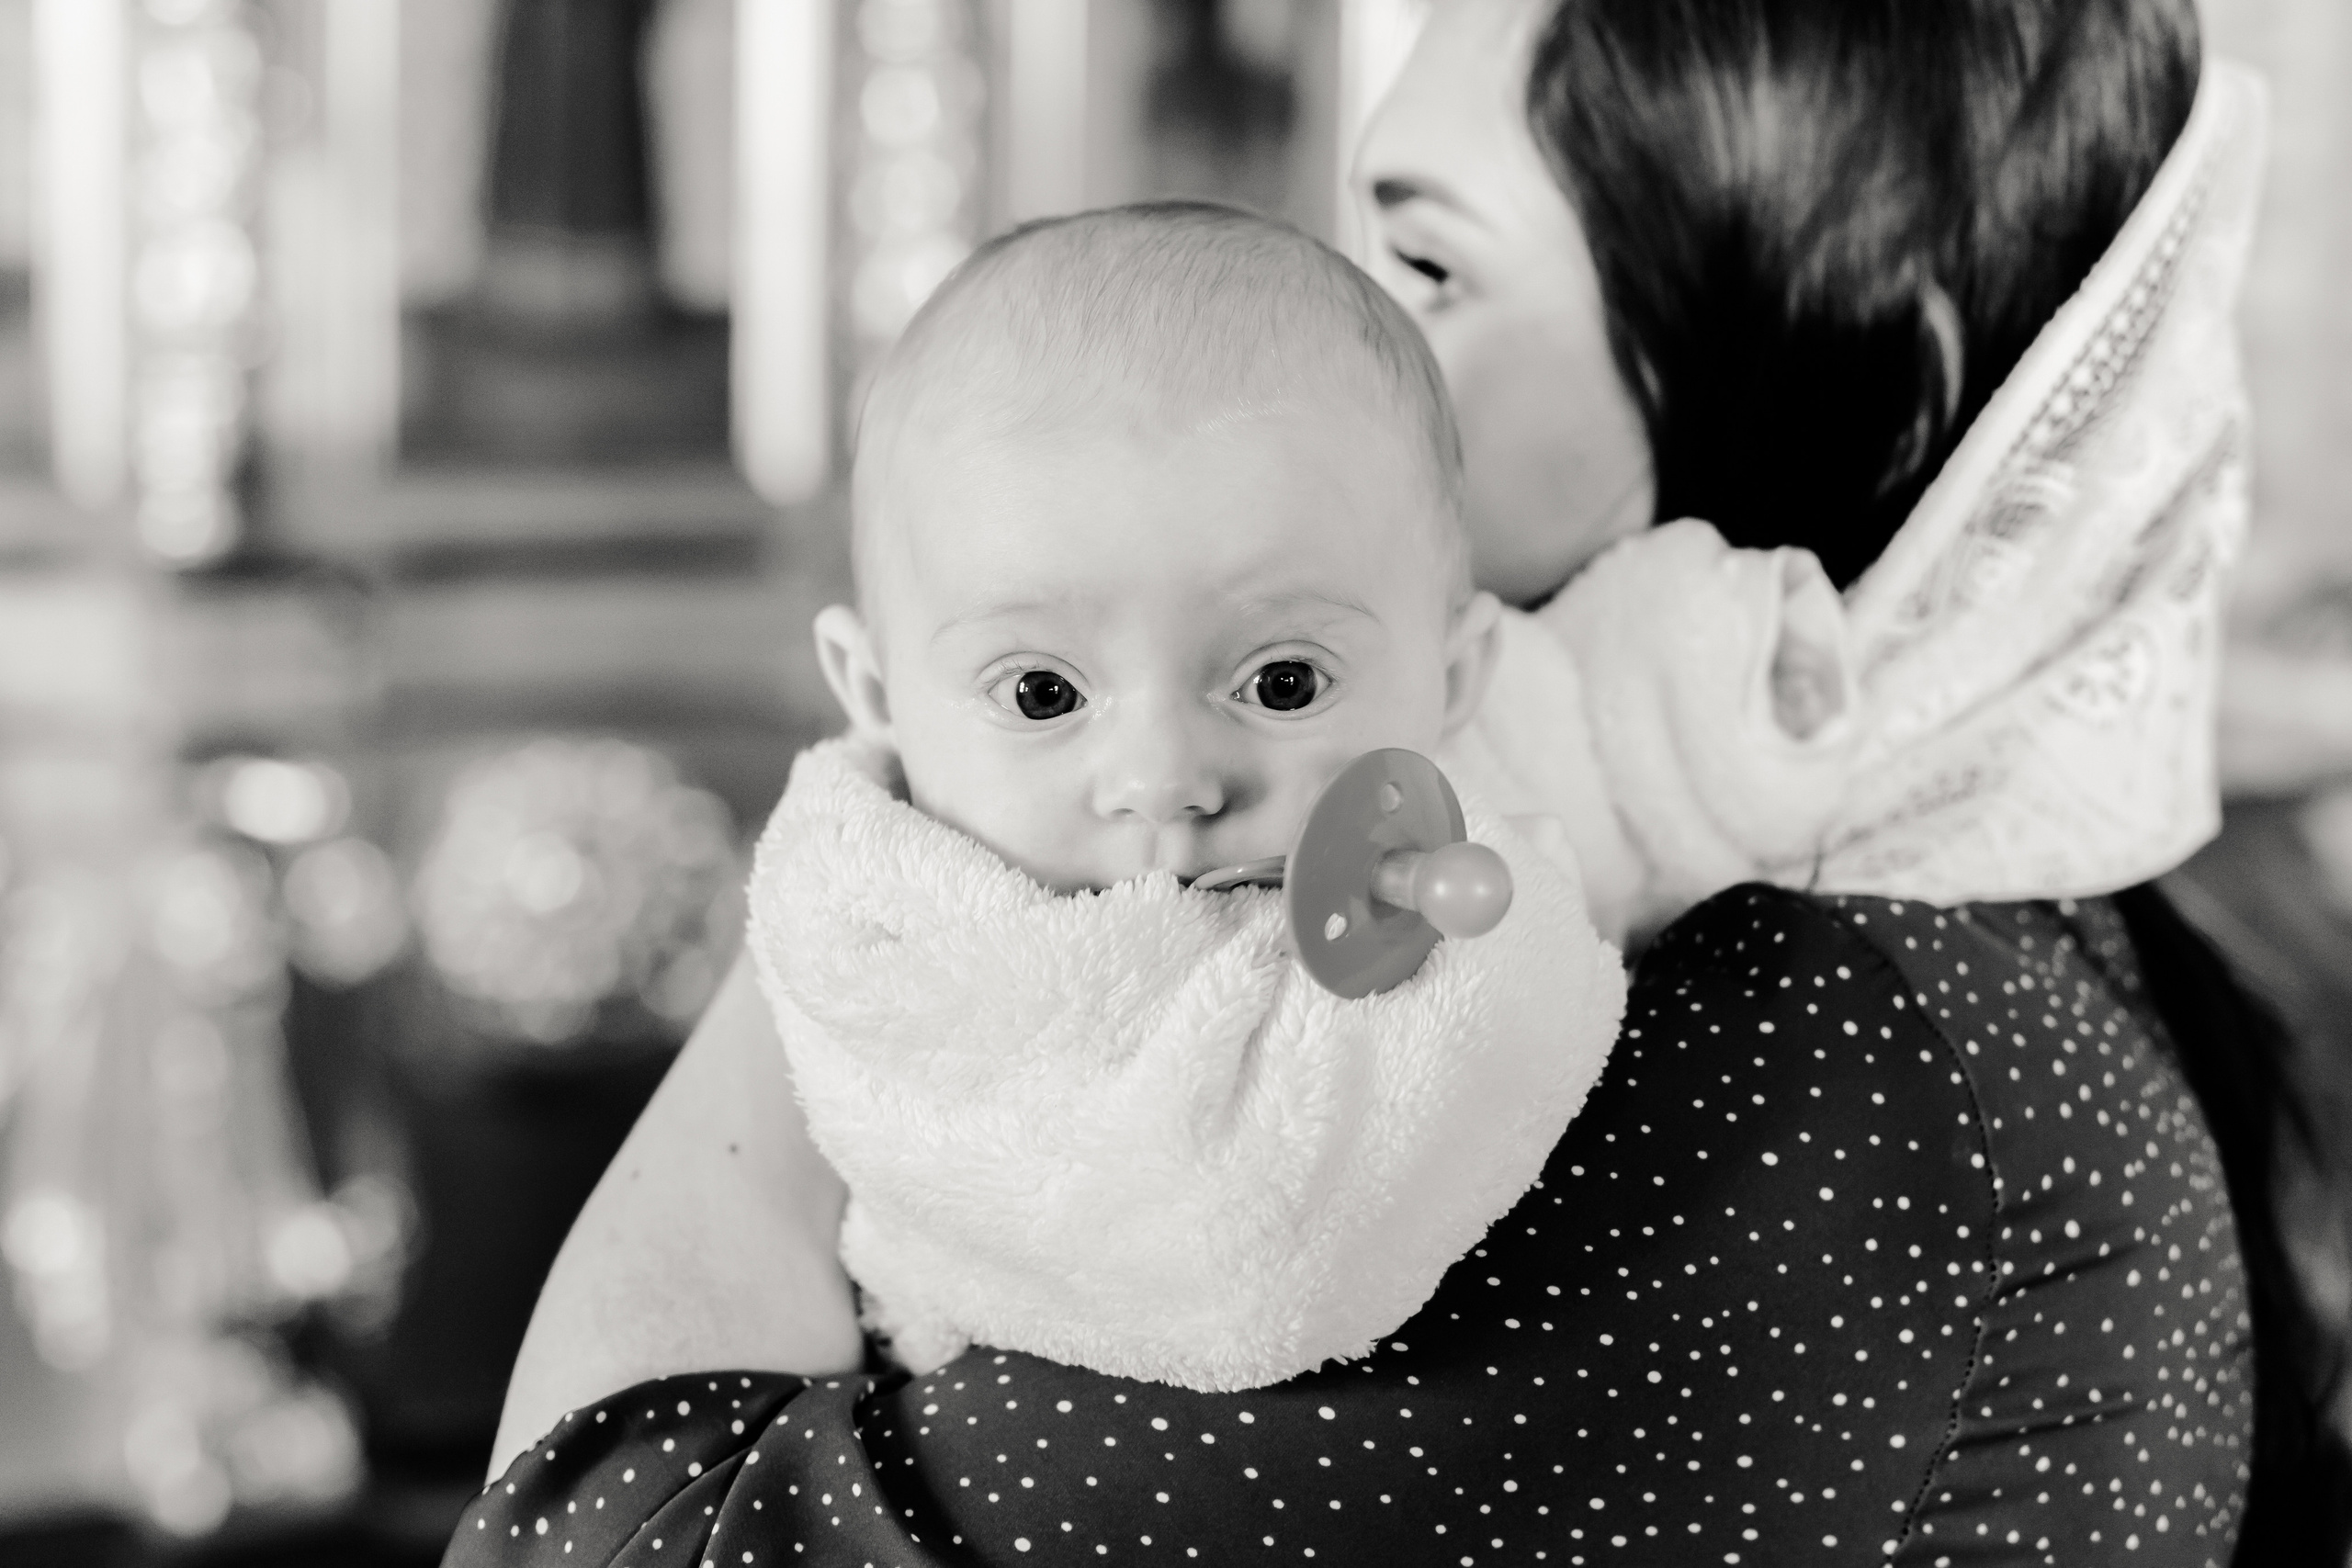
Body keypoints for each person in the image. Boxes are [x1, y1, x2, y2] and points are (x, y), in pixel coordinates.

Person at [453, 1, 2352, 1564]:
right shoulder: (1870, 950)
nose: (1338, 350)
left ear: (1860, 349)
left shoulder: (1799, 1052)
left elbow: (606, 1531)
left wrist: (880, 847)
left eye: (1428, 262)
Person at [739, 201, 1623, 1394]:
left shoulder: (1500, 809)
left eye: (1285, 680)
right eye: (1045, 694)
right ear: (875, 693)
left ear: (1454, 677)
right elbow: (1222, 1267)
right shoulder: (879, 924)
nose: (1166, 780)